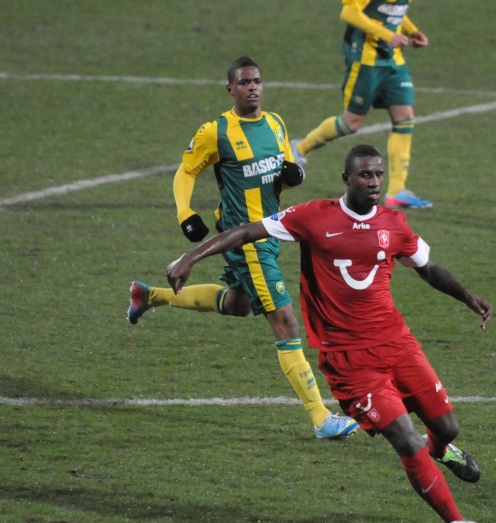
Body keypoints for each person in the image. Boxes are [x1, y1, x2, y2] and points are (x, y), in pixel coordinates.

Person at [166, 144, 493, 523]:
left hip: (397, 344)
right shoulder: (314, 217)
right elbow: (246, 232)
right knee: (407, 440)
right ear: (347, 179)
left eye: (378, 175)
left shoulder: (394, 224)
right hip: (348, 361)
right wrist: (189, 258)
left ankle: (442, 450)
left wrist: (468, 297)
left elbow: (428, 267)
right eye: (365, 175)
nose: (374, 182)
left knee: (447, 428)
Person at [127, 56, 358, 440]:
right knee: (285, 322)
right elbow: (186, 171)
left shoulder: (275, 123)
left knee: (238, 304)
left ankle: (148, 296)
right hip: (246, 240)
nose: (252, 87)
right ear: (231, 89)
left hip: (271, 232)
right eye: (244, 82)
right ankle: (320, 417)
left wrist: (293, 173)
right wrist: (186, 213)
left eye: (257, 81)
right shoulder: (215, 131)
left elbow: (282, 170)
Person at [291, 0, 433, 209]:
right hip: (366, 58)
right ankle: (300, 147)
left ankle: (397, 191)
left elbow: (393, 11)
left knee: (405, 117)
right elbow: (350, 11)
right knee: (352, 122)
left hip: (392, 60)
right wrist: (386, 34)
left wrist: (409, 30)